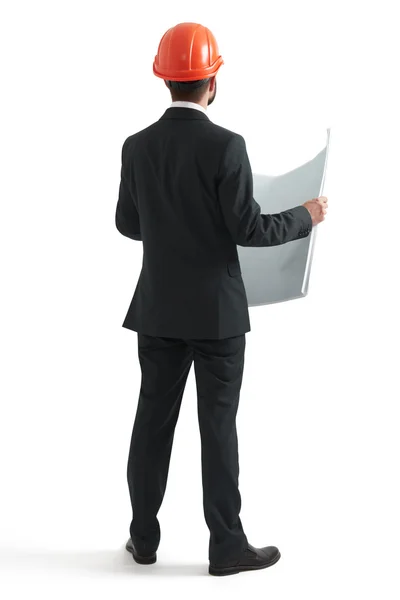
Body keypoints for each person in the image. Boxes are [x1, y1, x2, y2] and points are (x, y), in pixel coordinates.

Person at [115, 22, 328, 576]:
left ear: (165, 80)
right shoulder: (226, 145)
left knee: (151, 423)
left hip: (158, 311)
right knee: (218, 429)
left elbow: (127, 224)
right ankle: (227, 547)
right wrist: (305, 216)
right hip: (216, 317)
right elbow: (249, 229)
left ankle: (142, 539)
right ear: (212, 81)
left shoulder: (137, 147)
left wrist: (170, 222)